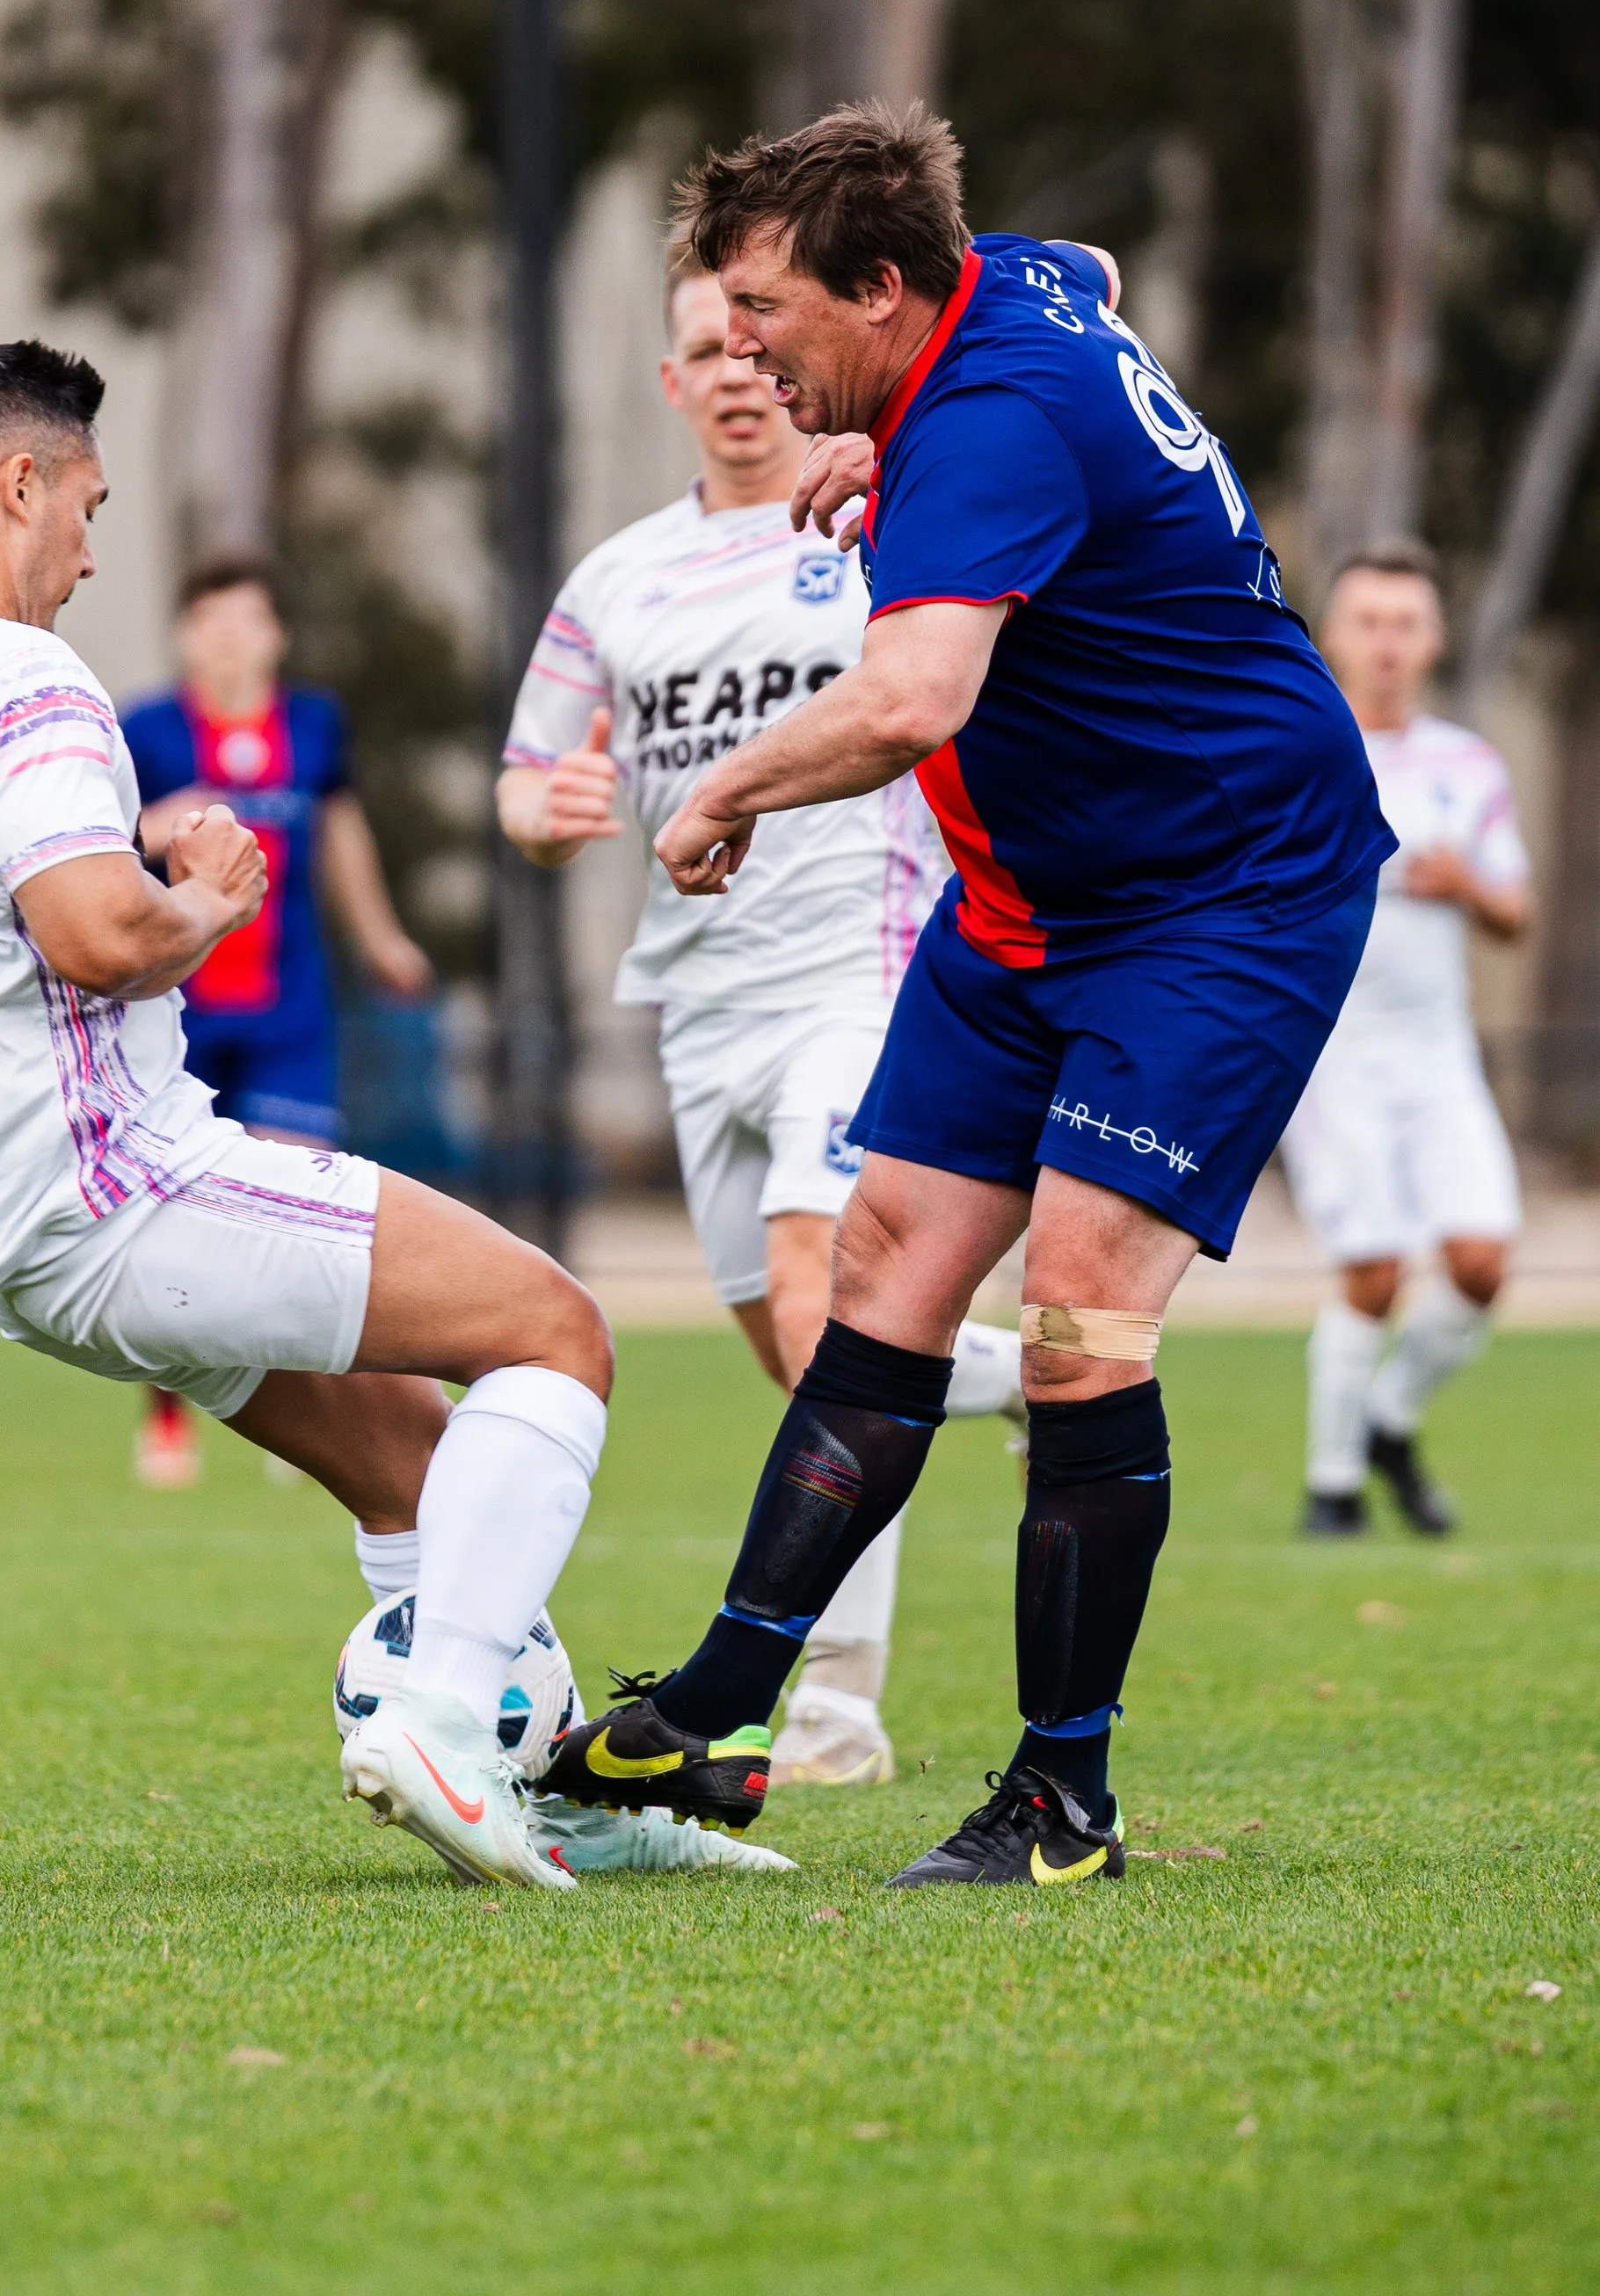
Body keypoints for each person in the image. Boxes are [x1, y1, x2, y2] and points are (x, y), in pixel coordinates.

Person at [542, 101, 1392, 1887]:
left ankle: (1058, 1794)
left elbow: (910, 697)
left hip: (1221, 894)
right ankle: (710, 1717)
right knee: (881, 1267)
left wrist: (713, 793)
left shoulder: (994, 416)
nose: (744, 351)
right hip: (1028, 902)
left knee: (1080, 1304)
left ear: (879, 287)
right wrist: (879, 453)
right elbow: (1069, 272)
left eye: (766, 310)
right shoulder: (992, 291)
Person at [0, 339, 641, 1893]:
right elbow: (93, 934)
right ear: (18, 483)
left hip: (16, 1249)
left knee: (413, 1466)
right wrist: (201, 894)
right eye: (86, 503)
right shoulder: (17, 676)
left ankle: (545, 1788)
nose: (87, 549)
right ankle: (454, 1725)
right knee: (555, 1332)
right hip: (129, 1191)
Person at [498, 234, 1023, 1791]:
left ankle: (839, 1705)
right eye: (703, 353)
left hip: (863, 975)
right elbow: (525, 777)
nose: (735, 373)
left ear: (786, 353)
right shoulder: (617, 579)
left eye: (753, 343)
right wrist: (554, 804)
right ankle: (1049, 1376)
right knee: (788, 1345)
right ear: (672, 380)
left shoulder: (878, 508)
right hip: (698, 1002)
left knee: (823, 1319)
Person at [118, 558, 432, 1489]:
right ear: (185, 635)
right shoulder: (146, 730)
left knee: (295, 1211)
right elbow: (93, 841)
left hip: (290, 1005)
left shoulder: (313, 726)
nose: (227, 638)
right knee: (175, 1217)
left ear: (275, 636)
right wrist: (146, 826)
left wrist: (380, 936)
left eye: (246, 620)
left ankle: (308, 1413)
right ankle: (168, 1418)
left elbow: (340, 832)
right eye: (208, 620)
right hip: (179, 1008)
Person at [1280, 543, 1531, 1537]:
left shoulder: (1469, 767)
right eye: (1368, 621)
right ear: (1333, 633)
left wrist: (1461, 882)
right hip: (1331, 1050)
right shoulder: (1300, 749)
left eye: (1405, 623)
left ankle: (1388, 1422)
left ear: (1432, 639)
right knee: (1374, 1270)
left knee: (1478, 1265)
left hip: (1437, 1053)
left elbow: (1514, 911)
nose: (1386, 643)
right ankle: (1330, 1490)